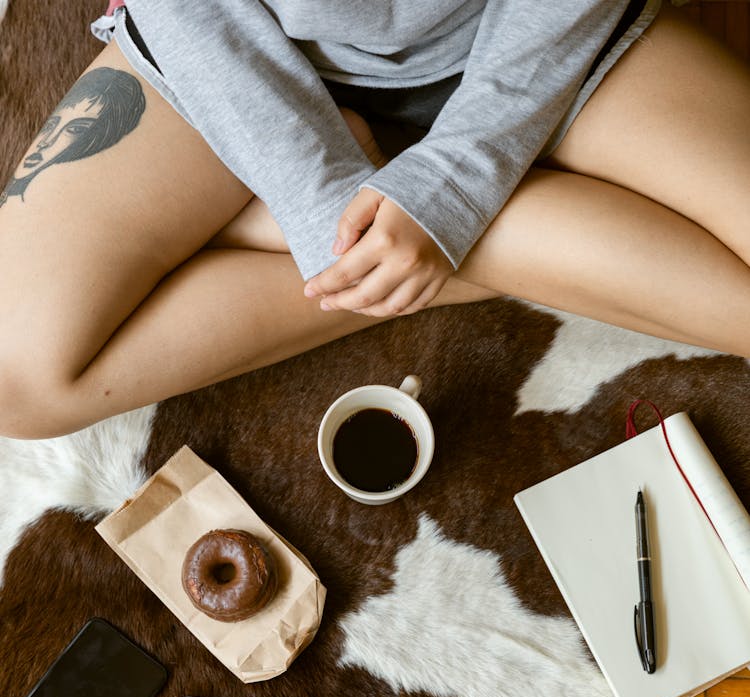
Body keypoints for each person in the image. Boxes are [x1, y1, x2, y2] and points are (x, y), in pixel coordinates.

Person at [1, 0, 749, 440]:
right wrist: (316, 196)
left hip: (532, 36)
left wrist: (455, 181)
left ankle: (281, 229)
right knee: (16, 378)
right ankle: (497, 244)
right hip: (241, 47)